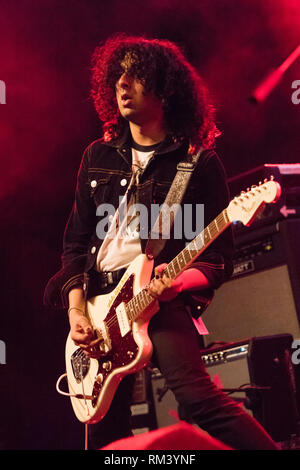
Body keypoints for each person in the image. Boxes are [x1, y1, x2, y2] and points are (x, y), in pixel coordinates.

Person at [44, 34, 278, 450]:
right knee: (103, 429)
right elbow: (75, 245)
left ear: (165, 87)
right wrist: (76, 311)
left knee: (199, 401)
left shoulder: (197, 162)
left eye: (135, 75)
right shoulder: (96, 157)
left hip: (160, 300)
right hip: (100, 307)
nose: (122, 84)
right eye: (118, 75)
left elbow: (219, 257)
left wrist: (176, 284)